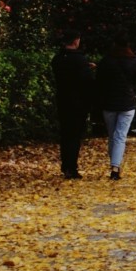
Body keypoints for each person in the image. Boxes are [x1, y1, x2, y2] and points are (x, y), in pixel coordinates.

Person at [95, 36, 136, 181]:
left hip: (109, 102)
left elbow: (99, 81)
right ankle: (115, 167)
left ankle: (114, 164)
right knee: (120, 136)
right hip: (127, 102)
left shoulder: (106, 61)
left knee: (112, 135)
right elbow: (135, 81)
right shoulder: (133, 61)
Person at [50, 32, 94, 179]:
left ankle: (65, 165)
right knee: (74, 136)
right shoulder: (80, 60)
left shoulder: (58, 59)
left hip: (62, 100)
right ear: (76, 41)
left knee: (65, 134)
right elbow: (86, 82)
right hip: (78, 103)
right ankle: (71, 167)